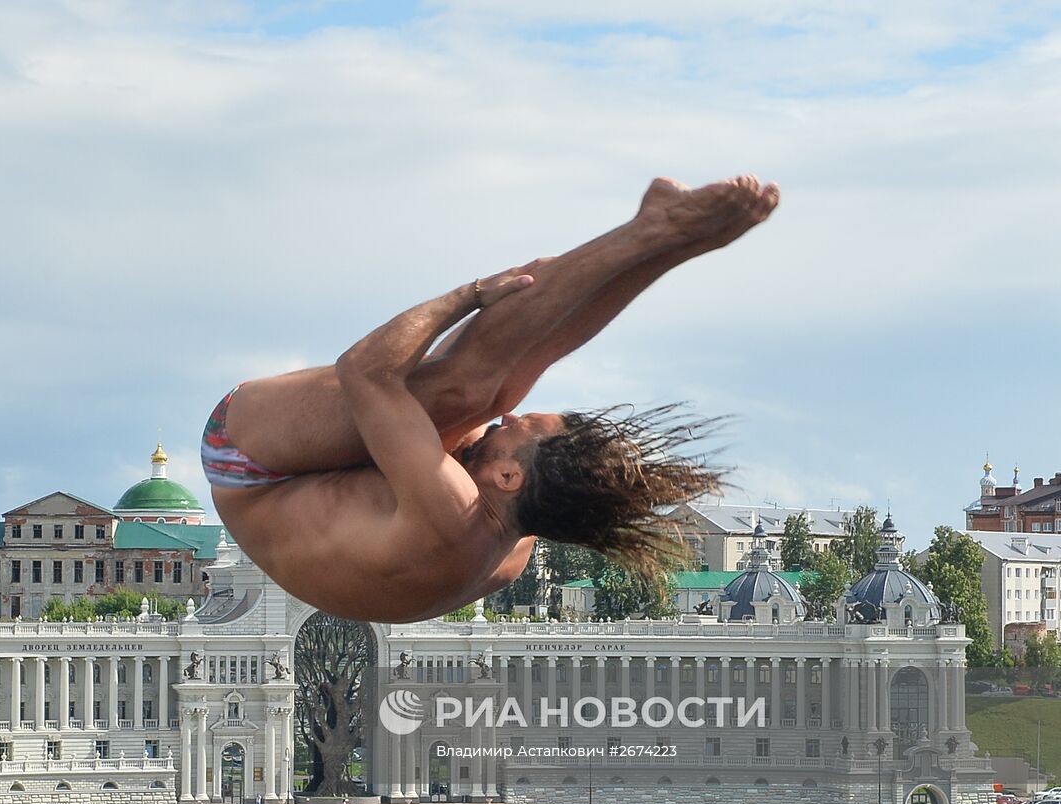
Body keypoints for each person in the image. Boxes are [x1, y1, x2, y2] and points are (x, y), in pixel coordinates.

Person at [204, 176, 779, 622]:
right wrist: (670, 250)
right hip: (335, 484)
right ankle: (664, 240)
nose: (506, 419)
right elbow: (541, 352)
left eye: (517, 429)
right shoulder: (514, 543)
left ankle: (653, 233)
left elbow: (366, 372)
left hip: (250, 459)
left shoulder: (454, 515)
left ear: (507, 478)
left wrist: (472, 295)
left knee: (468, 388)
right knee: (500, 384)